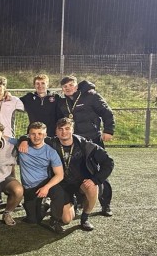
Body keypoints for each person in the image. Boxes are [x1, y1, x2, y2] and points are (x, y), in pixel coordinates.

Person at [58, 75, 115, 216]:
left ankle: (105, 204)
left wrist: (108, 130)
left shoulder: (91, 96)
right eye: (65, 86)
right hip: (75, 143)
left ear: (76, 86)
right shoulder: (63, 102)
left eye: (71, 85)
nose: (68, 88)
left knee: (99, 171)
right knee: (77, 172)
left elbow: (107, 112)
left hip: (92, 140)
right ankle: (79, 203)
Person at [47, 117, 114, 231]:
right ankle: (72, 202)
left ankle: (85, 218)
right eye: (60, 129)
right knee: (66, 220)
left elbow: (108, 162)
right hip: (62, 185)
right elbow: (32, 137)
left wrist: (95, 180)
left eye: (67, 129)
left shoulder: (85, 145)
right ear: (56, 131)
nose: (64, 132)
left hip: (81, 183)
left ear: (73, 130)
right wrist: (24, 140)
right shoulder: (50, 143)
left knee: (92, 187)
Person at [11, 121, 65, 233]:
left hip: (44, 183)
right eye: (33, 134)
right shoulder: (22, 145)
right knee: (33, 220)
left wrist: (46, 187)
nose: (36, 137)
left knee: (59, 192)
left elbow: (60, 175)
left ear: (45, 135)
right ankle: (45, 204)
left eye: (40, 134)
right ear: (28, 135)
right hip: (29, 188)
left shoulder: (51, 152)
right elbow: (2, 137)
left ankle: (54, 221)